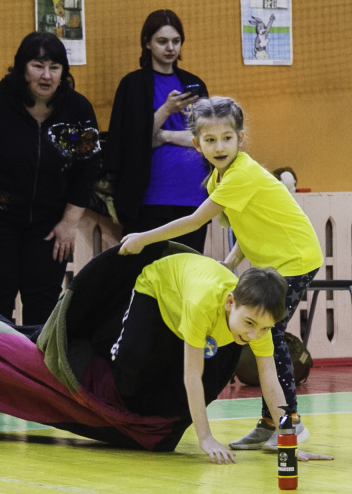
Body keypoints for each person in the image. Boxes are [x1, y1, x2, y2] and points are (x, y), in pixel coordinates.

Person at [118, 96, 324, 452]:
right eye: (210, 140)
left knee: (268, 339)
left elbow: (195, 221)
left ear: (241, 139)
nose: (219, 146)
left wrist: (143, 238)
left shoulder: (241, 174)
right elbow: (245, 229)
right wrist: (228, 264)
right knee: (265, 340)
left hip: (294, 261)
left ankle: (291, 426)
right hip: (271, 262)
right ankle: (268, 423)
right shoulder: (219, 179)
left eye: (227, 138)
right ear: (197, 143)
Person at [0, 32, 101, 326]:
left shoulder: (78, 109)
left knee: (42, 303)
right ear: (21, 68)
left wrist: (69, 224)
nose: (46, 75)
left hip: (50, 224)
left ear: (64, 72)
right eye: (38, 66)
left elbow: (87, 169)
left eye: (55, 67)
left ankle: (34, 371)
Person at [110, 253, 288, 464]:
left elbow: (269, 377)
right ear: (230, 302)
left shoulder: (258, 322)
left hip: (189, 316)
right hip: (157, 291)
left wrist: (289, 444)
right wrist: (206, 438)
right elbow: (192, 374)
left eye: (264, 328)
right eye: (249, 323)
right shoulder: (203, 303)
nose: (254, 335)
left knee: (208, 387)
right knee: (130, 366)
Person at [105, 9, 210, 254]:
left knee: (187, 272)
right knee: (147, 273)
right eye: (162, 41)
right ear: (147, 43)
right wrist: (165, 110)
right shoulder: (132, 85)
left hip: (193, 196)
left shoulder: (193, 84)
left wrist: (163, 136)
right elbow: (131, 141)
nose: (170, 48)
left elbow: (205, 137)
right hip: (149, 197)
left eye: (176, 41)